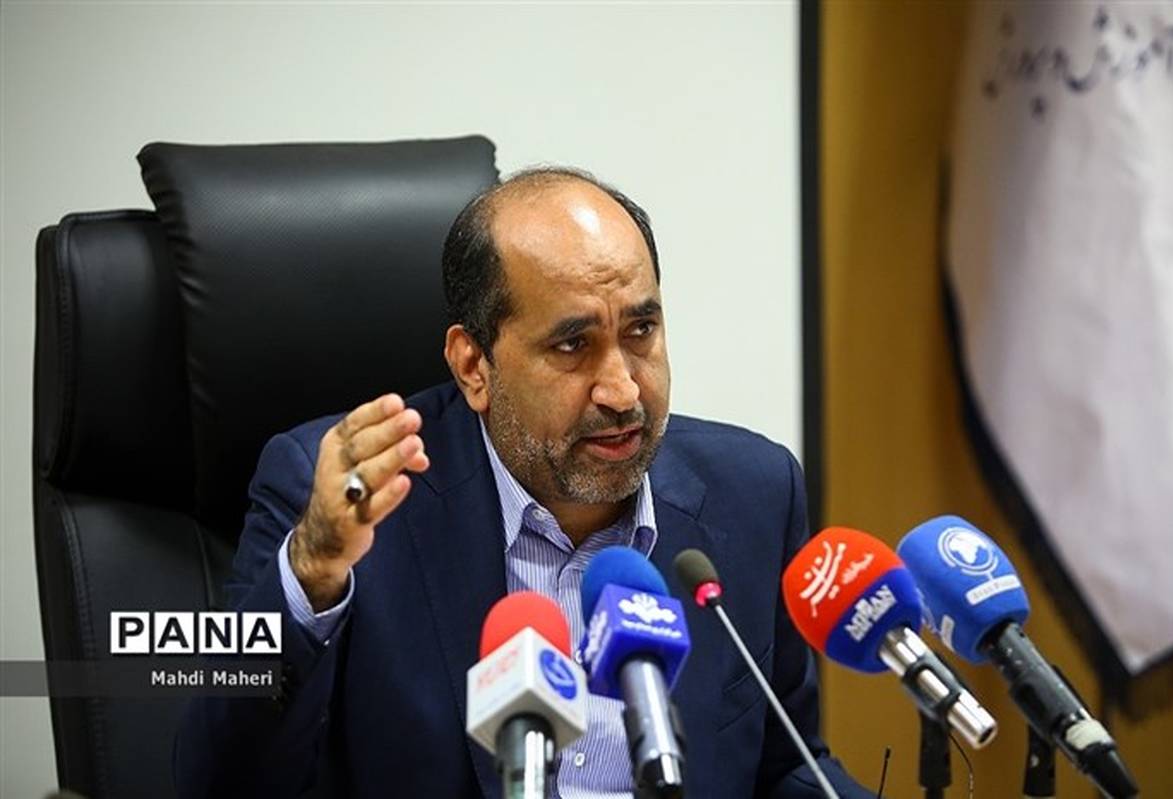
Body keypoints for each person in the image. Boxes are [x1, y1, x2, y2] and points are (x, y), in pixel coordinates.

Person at [176, 168, 875, 798]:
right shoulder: (340, 498)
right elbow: (215, 779)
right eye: (572, 345)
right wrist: (312, 569)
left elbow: (784, 768)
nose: (622, 390)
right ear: (473, 366)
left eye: (641, 330)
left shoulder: (752, 493)